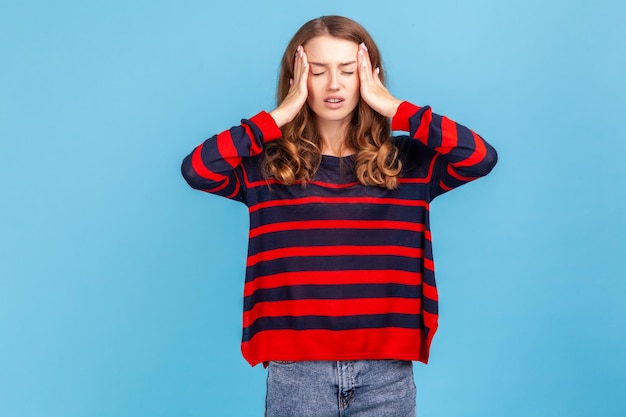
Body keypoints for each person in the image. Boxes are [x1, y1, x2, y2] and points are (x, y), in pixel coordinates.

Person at [181, 15, 497, 417]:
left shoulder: (408, 162)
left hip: (387, 372)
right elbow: (197, 170)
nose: (334, 84)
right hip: (297, 373)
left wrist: (397, 108)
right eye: (317, 71)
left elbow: (480, 157)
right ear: (297, 79)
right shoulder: (266, 166)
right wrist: (278, 116)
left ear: (369, 76)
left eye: (348, 70)